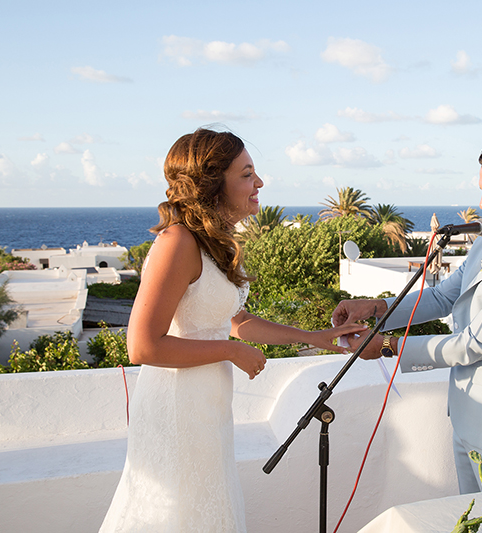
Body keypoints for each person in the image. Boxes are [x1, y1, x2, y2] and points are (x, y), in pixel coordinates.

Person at [99, 128, 365, 532]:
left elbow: (235, 322)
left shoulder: (210, 242)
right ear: (212, 183)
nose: (259, 183)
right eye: (246, 174)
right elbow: (142, 346)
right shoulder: (178, 242)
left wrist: (311, 337)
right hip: (176, 407)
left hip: (206, 408)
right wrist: (228, 351)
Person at [332, 134, 482, 494]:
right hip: (468, 423)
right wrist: (378, 308)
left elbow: (472, 345)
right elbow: (443, 296)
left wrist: (386, 346)